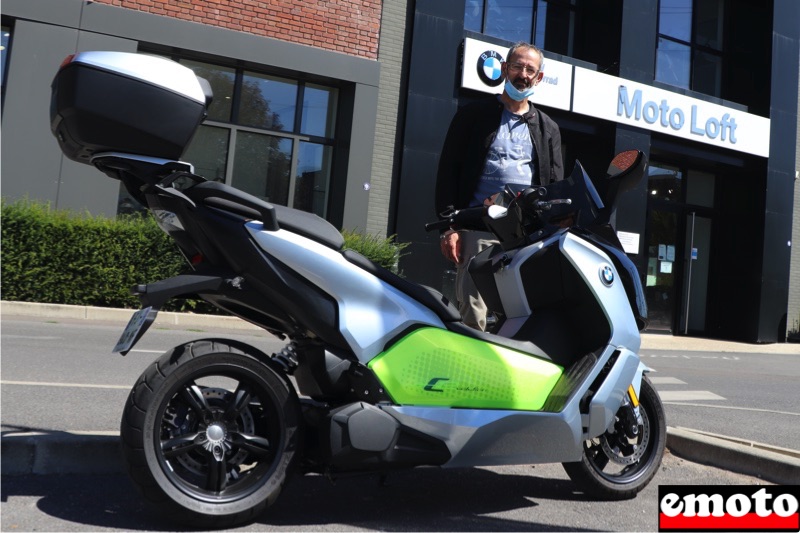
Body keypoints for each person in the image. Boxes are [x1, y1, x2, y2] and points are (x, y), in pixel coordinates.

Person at [435, 41, 564, 331]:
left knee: (519, 313)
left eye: (531, 69)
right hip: (476, 230)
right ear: (505, 69)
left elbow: (554, 187)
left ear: (539, 77)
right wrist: (448, 227)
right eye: (517, 66)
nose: (524, 74)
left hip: (524, 238)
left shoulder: (548, 129)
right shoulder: (472, 116)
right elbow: (448, 173)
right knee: (472, 312)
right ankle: (469, 372)